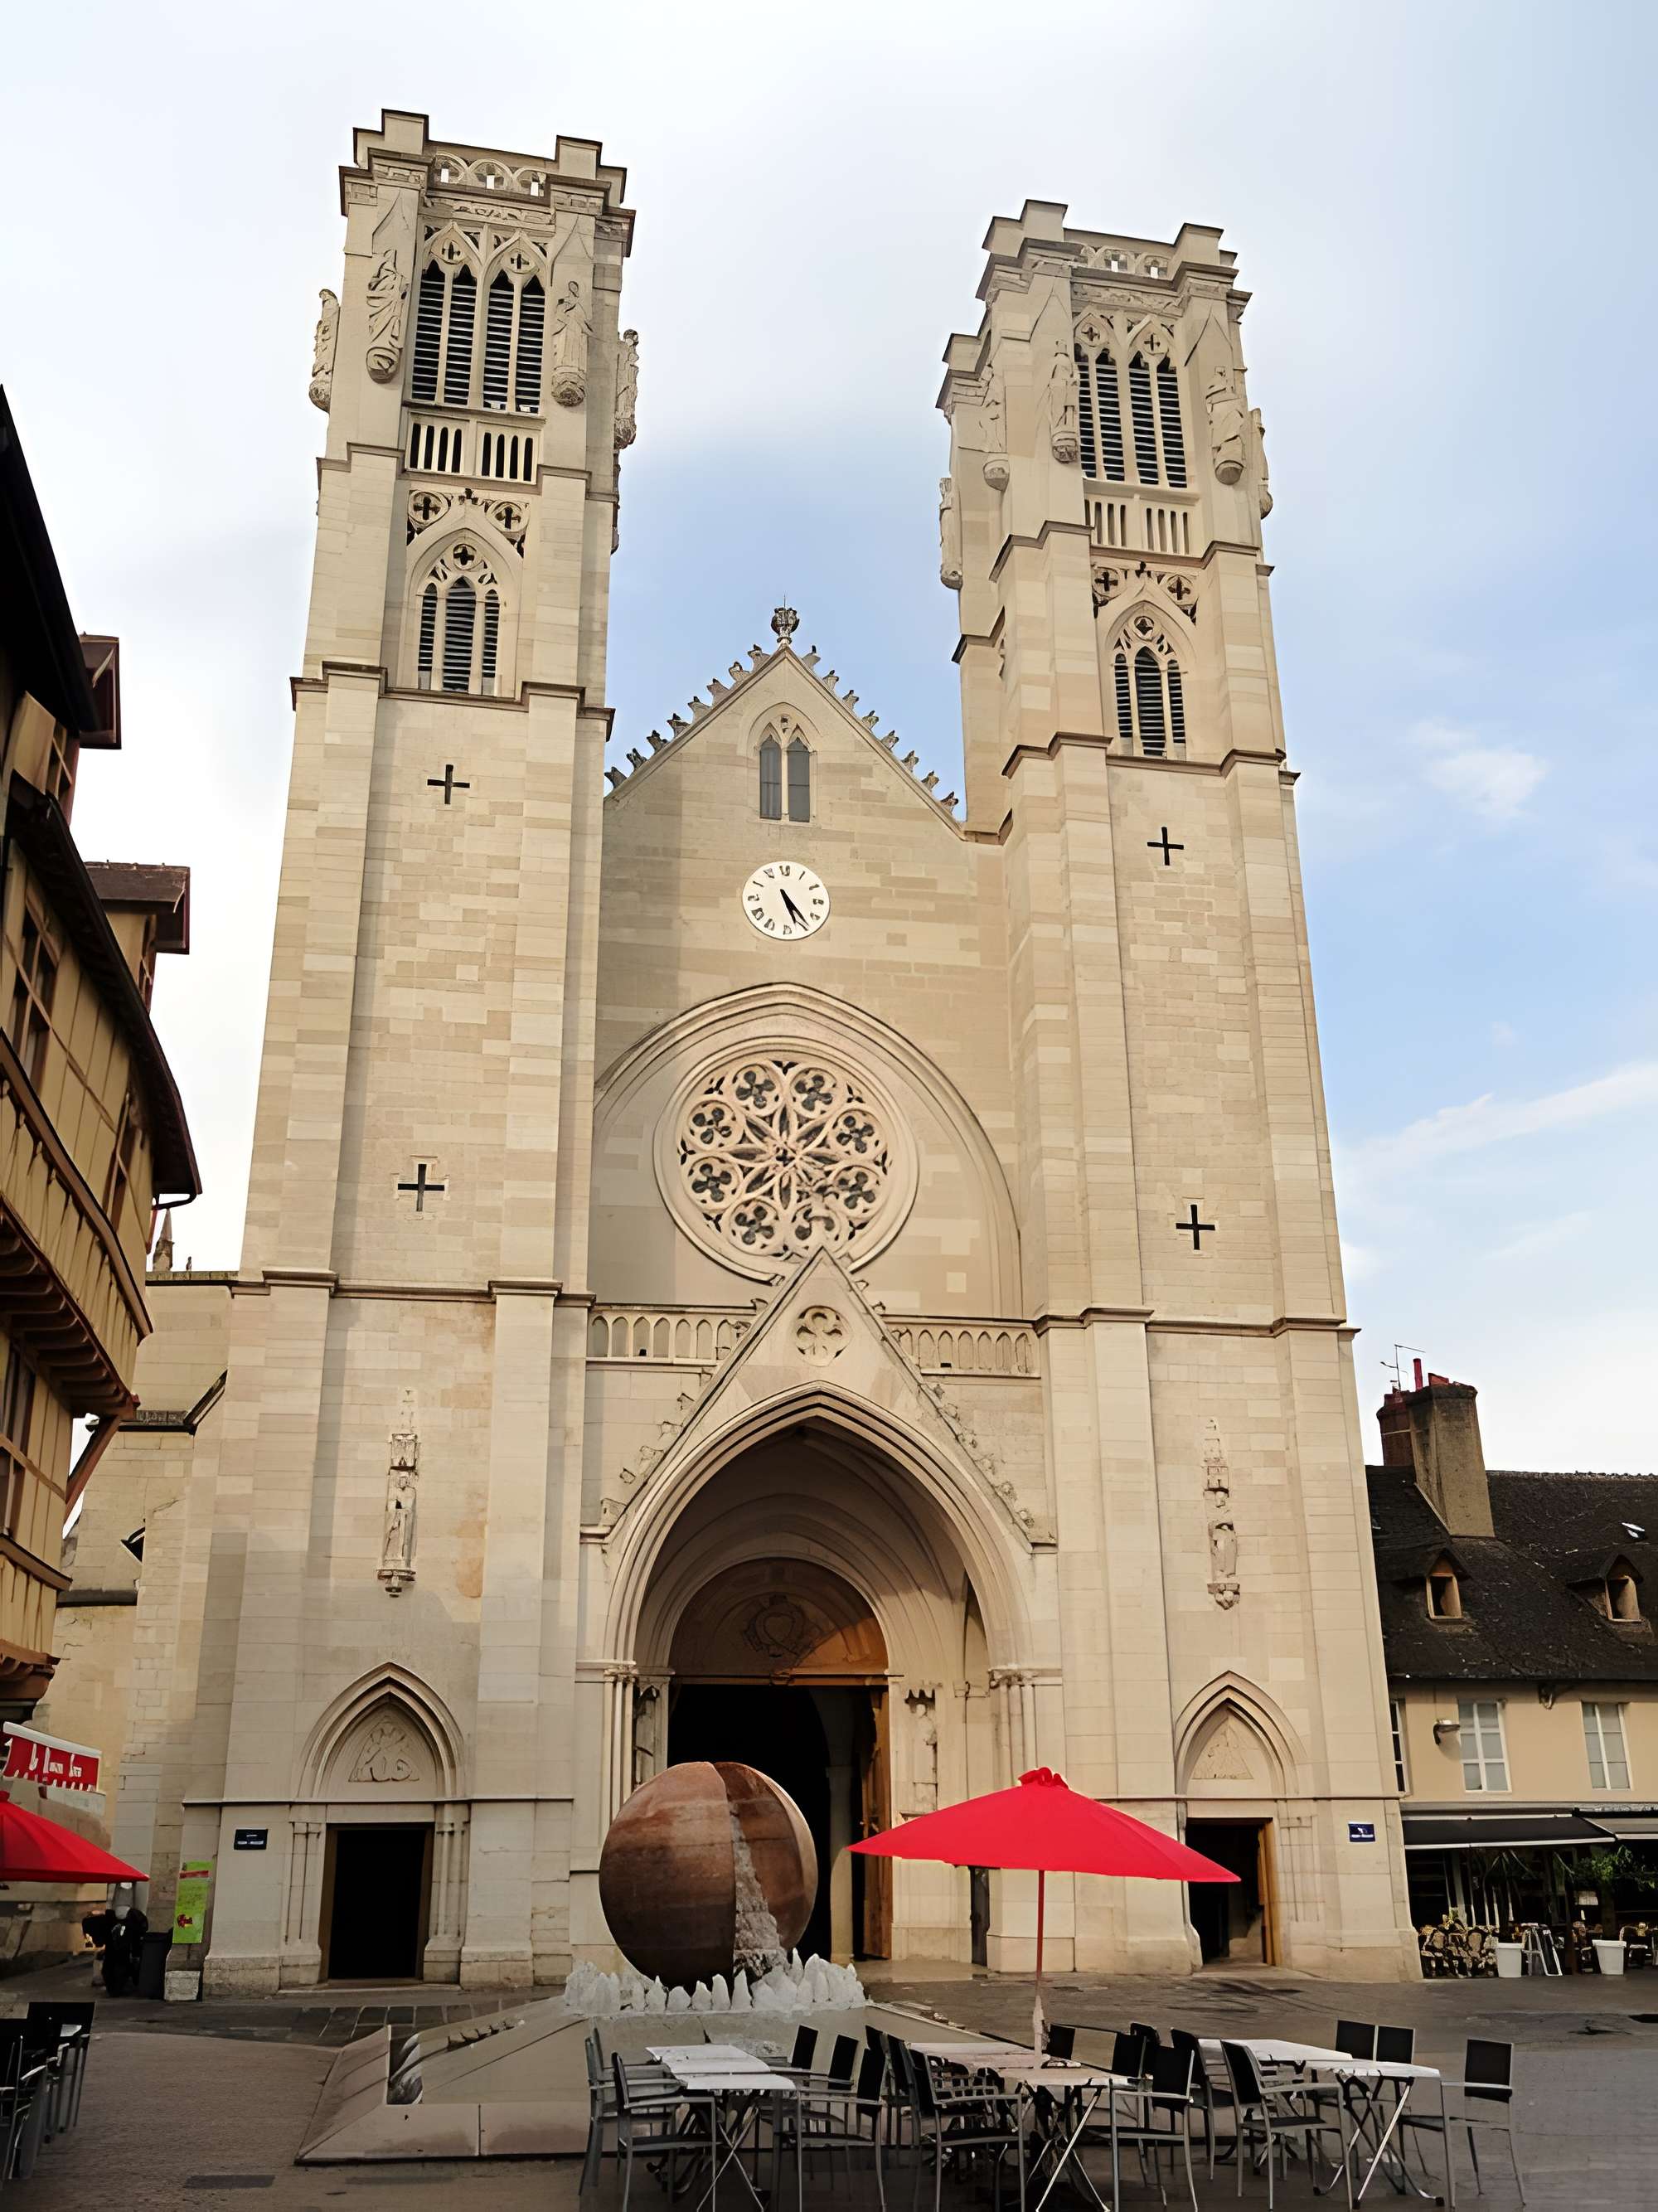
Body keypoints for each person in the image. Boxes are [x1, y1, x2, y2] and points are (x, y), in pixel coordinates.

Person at [101, 1899, 148, 1996]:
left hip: (117, 1951)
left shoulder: (117, 1922)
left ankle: (115, 1989)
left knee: (115, 1963)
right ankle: (117, 1988)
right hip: (122, 1951)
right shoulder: (133, 1920)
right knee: (121, 1964)